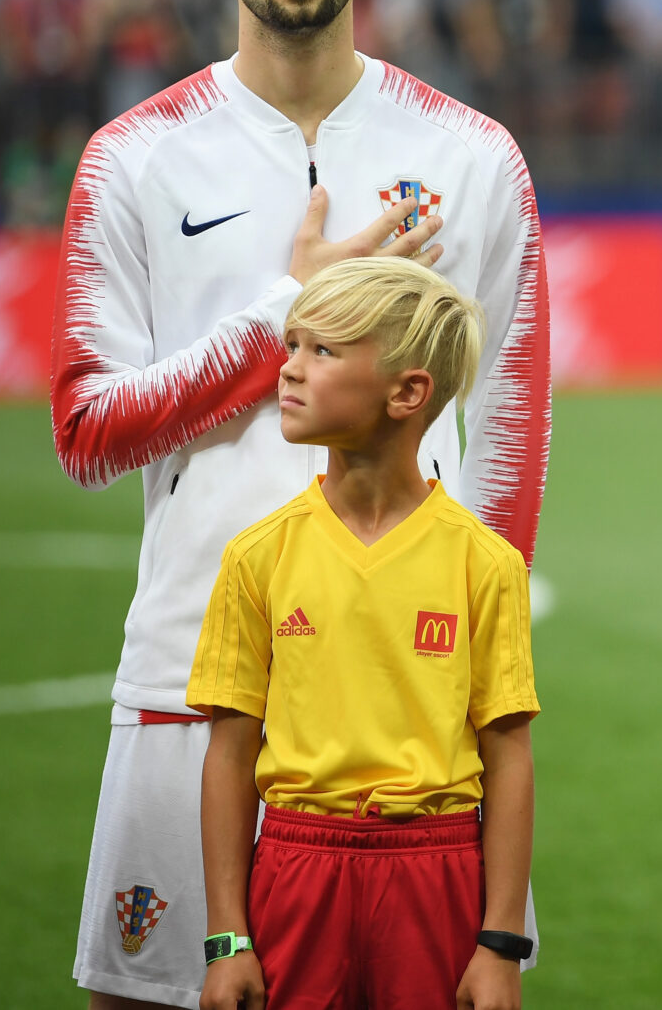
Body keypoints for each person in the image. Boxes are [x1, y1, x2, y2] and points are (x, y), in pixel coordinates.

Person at [52, 0, 549, 1010]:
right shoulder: (134, 158)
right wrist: (290, 309)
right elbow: (87, 432)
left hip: (406, 692)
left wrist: (475, 654)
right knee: (149, 997)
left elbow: (508, 430)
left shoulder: (474, 156)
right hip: (191, 664)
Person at [188, 257, 538, 1010]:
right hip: (295, 865)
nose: (290, 367)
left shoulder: (485, 562)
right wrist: (227, 939)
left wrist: (501, 943)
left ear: (407, 392)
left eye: (323, 350)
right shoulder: (257, 556)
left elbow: (509, 756)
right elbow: (230, 752)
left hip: (436, 869)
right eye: (291, 344)